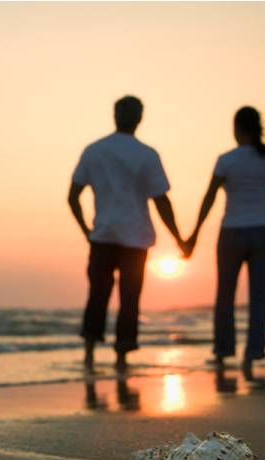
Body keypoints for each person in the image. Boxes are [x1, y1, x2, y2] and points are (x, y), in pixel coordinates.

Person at [68, 95, 186, 372]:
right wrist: (179, 238)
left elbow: (72, 196)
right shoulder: (146, 154)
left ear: (114, 115)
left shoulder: (94, 150)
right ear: (140, 118)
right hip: (136, 237)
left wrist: (86, 229)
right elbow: (161, 200)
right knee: (129, 297)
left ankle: (89, 354)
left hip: (103, 234)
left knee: (98, 294)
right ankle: (121, 357)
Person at [182, 106, 265, 377]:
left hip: (233, 231)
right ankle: (252, 355)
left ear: (237, 128)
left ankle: (222, 352)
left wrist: (194, 234)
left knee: (226, 295)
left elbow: (209, 198)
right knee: (259, 297)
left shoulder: (226, 160)